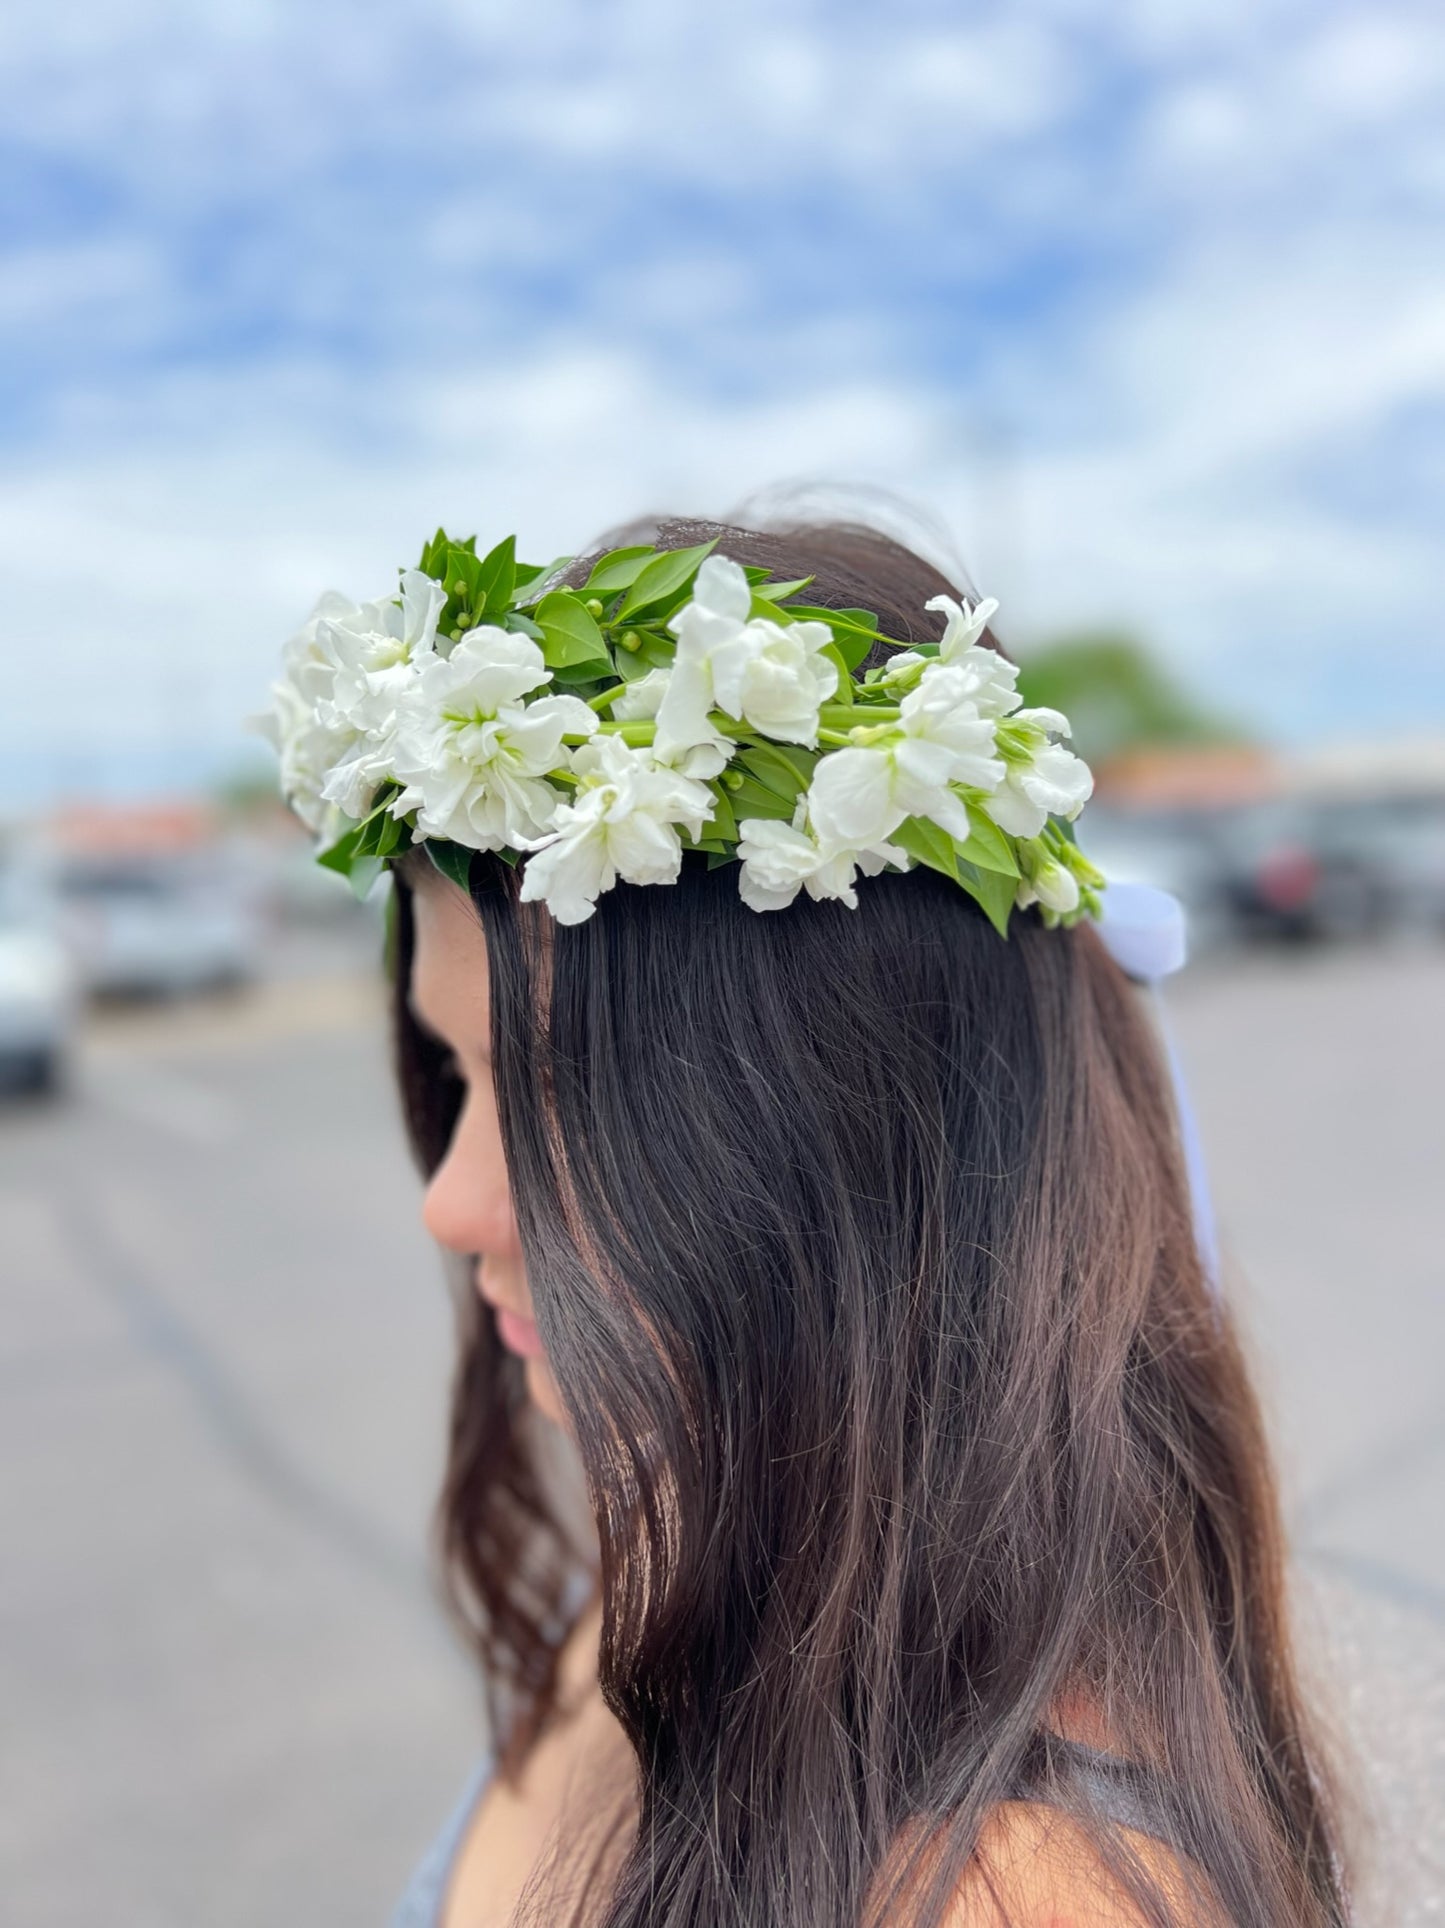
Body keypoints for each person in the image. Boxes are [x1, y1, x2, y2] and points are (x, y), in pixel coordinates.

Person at [264, 515, 1352, 1926]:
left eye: (557, 1111)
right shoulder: (703, 1543)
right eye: (453, 1079)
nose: (450, 1202)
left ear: (857, 1141)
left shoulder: (1017, 1896)